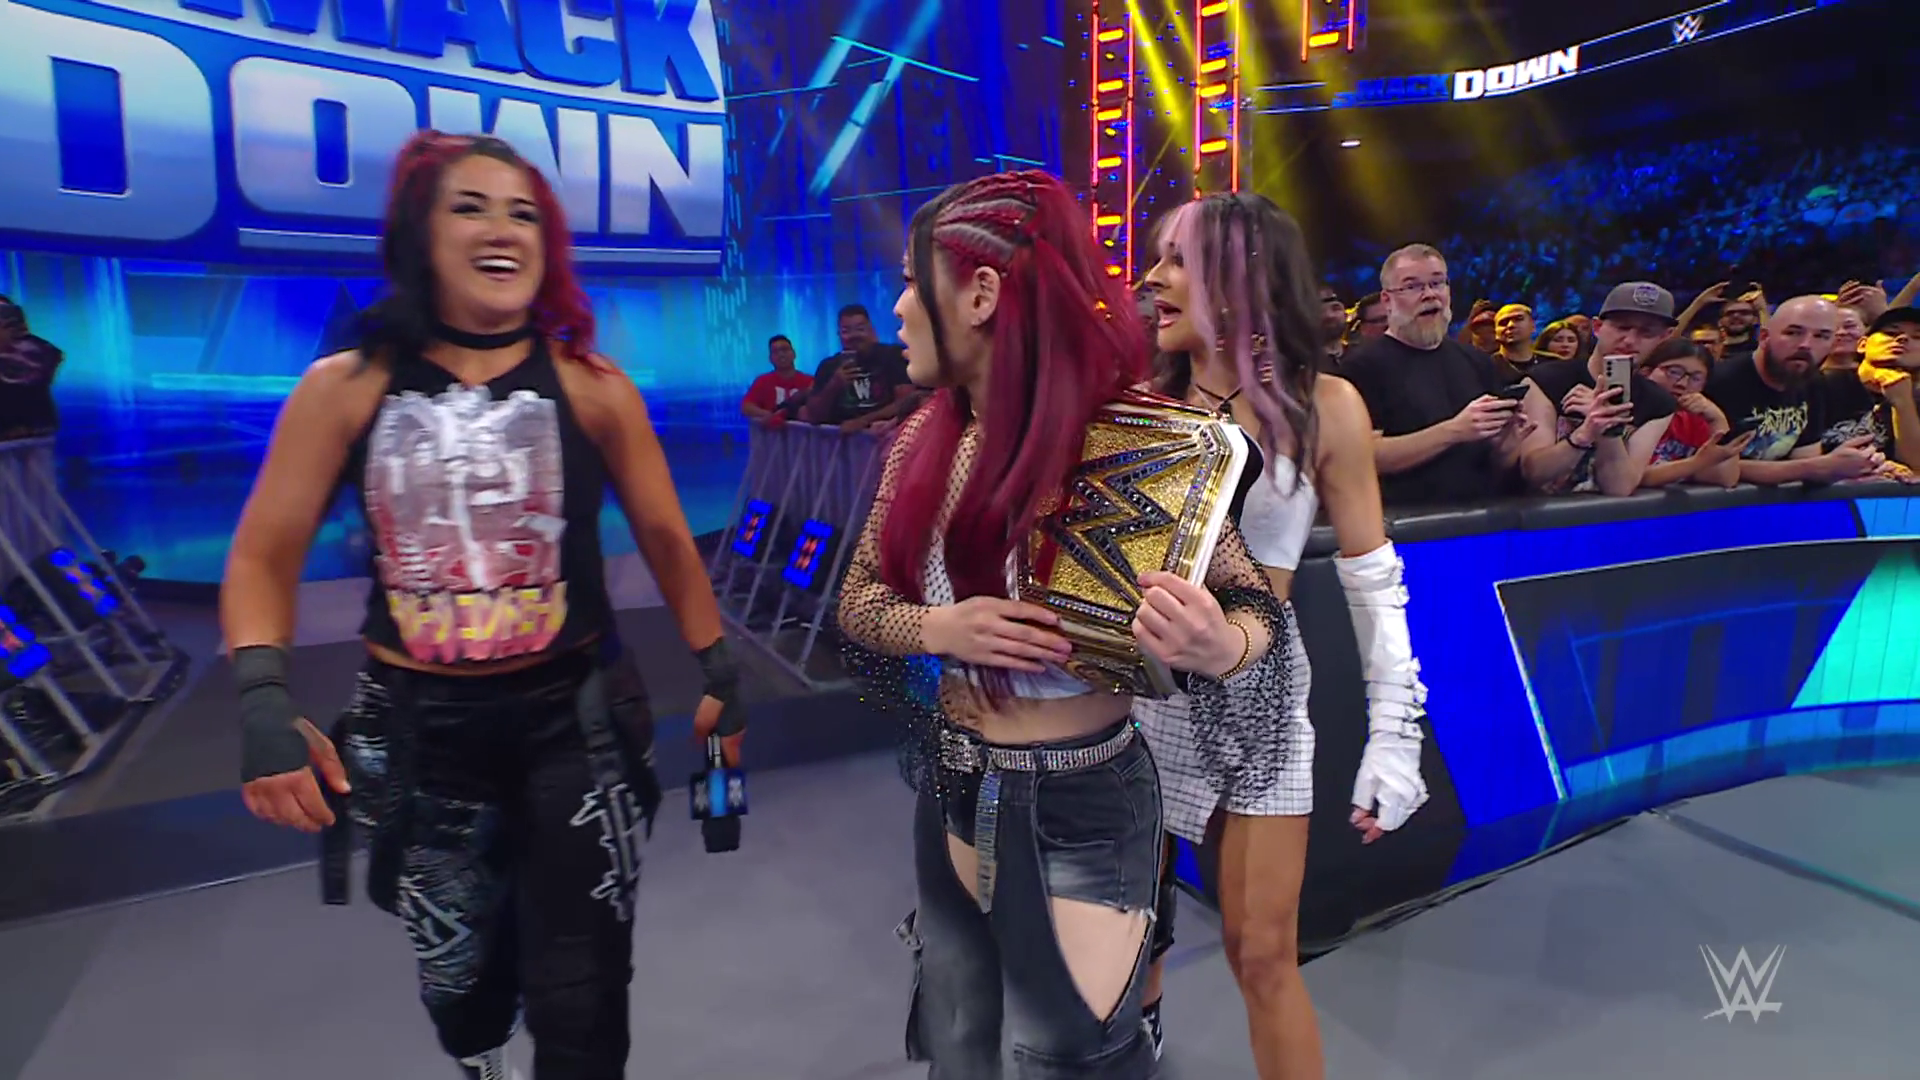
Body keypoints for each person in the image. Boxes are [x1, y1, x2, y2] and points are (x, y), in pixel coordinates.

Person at [222, 132, 744, 1080]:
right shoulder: (346, 388)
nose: (502, 230)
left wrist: (719, 670)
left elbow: (669, 540)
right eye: (470, 207)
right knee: (461, 984)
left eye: (523, 213)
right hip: (421, 730)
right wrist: (262, 696)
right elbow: (263, 553)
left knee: (584, 992)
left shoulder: (594, 387)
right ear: (420, 232)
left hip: (574, 720)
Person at [837, 170, 1289, 1078]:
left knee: (1072, 1056)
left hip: (1083, 798)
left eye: (909, 281)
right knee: (959, 1046)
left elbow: (1255, 611)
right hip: (954, 779)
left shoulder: (1140, 441)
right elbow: (857, 603)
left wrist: (1219, 643)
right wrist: (940, 630)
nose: (895, 308)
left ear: (981, 293)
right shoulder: (920, 441)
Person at [1135, 194, 1431, 1077]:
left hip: (1260, 695)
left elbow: (1373, 577)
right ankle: (1134, 1039)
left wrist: (1396, 736)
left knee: (1263, 954)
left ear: (1244, 278)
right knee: (1128, 927)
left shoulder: (1325, 404)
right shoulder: (1135, 403)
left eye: (1178, 260)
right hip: (1137, 688)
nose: (1153, 278)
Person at [1338, 244, 1533, 506]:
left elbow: (1495, 464)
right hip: (1407, 520)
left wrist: (1506, 447)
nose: (1429, 294)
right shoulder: (1362, 366)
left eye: (1437, 283)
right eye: (1412, 286)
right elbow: (1364, 457)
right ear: (1387, 301)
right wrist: (1454, 430)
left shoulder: (1476, 361)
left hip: (1482, 516)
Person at [1517, 281, 1678, 496]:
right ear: (1597, 327)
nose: (1630, 340)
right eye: (1622, 327)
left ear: (1664, 337)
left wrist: (1607, 427)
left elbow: (1620, 488)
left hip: (1604, 515)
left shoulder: (1658, 402)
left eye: (1646, 332)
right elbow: (1534, 472)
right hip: (1538, 512)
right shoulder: (1546, 380)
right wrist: (1583, 434)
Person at [1705, 294, 1885, 485]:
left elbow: (1805, 460)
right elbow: (1709, 468)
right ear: (1764, 337)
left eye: (1821, 336)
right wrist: (1821, 467)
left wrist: (1856, 467)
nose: (1806, 345)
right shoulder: (1719, 382)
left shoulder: (1811, 382)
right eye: (1793, 333)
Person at [1635, 339, 1749, 488]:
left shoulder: (1694, 420)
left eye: (1696, 378)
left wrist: (1718, 419)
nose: (1682, 384)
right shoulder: (1628, 415)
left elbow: (1726, 478)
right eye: (1674, 372)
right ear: (1645, 373)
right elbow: (1633, 477)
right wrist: (1697, 463)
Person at [740, 333, 812, 421]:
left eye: (784, 350)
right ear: (770, 358)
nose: (781, 354)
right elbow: (746, 407)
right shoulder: (762, 381)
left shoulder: (810, 381)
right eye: (775, 352)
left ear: (794, 354)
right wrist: (769, 416)